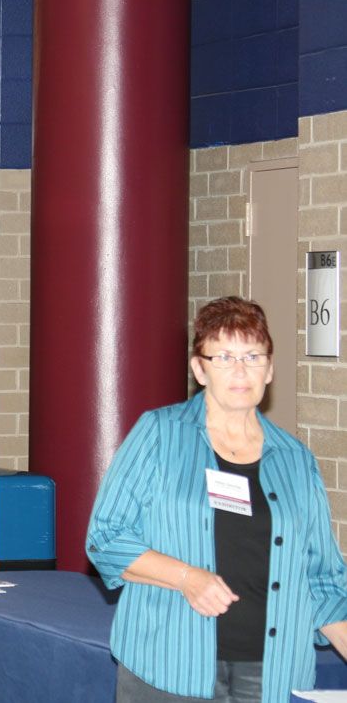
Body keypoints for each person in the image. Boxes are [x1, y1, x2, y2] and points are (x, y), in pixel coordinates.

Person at [86, 296, 347, 703]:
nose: (240, 370)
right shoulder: (159, 434)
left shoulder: (296, 460)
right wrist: (186, 578)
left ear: (270, 369)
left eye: (253, 356)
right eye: (223, 357)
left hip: (271, 675)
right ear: (199, 369)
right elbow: (106, 538)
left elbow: (323, 581)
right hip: (169, 666)